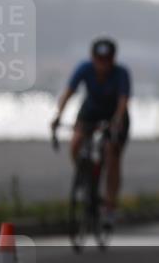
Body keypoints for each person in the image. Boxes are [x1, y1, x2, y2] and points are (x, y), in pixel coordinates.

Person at [51, 38, 131, 231]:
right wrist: (58, 116)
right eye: (98, 59)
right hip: (91, 112)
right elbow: (68, 93)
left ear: (113, 59)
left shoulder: (121, 74)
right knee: (76, 142)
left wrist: (116, 123)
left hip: (115, 115)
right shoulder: (85, 69)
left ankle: (110, 207)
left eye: (106, 60)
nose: (102, 65)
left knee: (112, 154)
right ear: (92, 58)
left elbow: (123, 102)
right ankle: (85, 179)